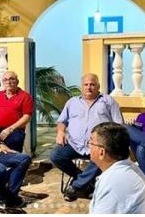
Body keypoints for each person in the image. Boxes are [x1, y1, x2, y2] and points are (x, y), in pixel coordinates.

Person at [50, 73, 123, 201]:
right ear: (82, 87)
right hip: (74, 144)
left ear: (98, 86)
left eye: (92, 84)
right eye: (86, 84)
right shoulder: (72, 102)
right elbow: (62, 121)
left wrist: (109, 141)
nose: (89, 87)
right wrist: (60, 132)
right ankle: (86, 181)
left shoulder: (108, 101)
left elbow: (119, 124)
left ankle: (76, 186)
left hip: (99, 145)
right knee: (56, 155)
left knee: (102, 157)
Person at [88, 122, 145, 214]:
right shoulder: (129, 168)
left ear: (102, 152)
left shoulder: (112, 183)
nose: (88, 145)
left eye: (91, 142)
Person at [0, 70, 33, 152]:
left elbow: (27, 117)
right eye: (5, 80)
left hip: (13, 130)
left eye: (11, 79)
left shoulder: (25, 96)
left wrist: (10, 129)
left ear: (17, 81)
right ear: (2, 82)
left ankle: (13, 162)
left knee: (16, 139)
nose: (8, 82)